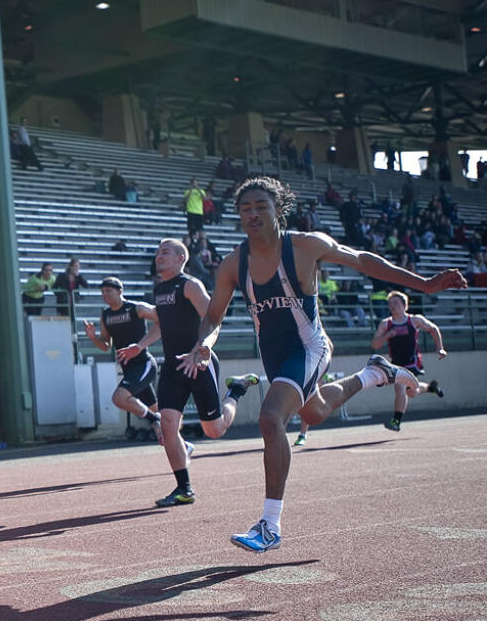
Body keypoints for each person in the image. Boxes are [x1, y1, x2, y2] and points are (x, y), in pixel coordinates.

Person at [187, 176, 466, 552]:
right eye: (245, 209)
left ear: (278, 209)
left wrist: (425, 284)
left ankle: (269, 525)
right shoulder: (233, 264)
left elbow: (364, 261)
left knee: (271, 417)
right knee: (315, 412)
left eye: (260, 206)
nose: (252, 214)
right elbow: (214, 316)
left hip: (310, 347)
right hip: (275, 356)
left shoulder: (306, 245)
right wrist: (204, 344)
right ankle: (375, 373)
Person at [146, 238, 258, 508]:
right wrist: (139, 346)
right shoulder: (159, 288)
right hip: (173, 367)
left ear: (181, 259)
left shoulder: (190, 285)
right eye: (158, 252)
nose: (159, 256)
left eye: (166, 252)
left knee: (215, 431)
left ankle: (236, 391)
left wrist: (201, 348)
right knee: (167, 425)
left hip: (198, 364)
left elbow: (214, 319)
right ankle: (184, 488)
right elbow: (162, 325)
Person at [83, 277, 162, 438]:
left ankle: (154, 420)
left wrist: (141, 344)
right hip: (129, 369)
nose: (105, 294)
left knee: (119, 398)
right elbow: (105, 346)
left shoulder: (136, 308)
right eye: (102, 292)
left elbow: (163, 320)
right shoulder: (105, 315)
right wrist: (93, 337)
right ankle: (178, 440)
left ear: (120, 291)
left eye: (108, 291)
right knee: (164, 419)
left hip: (144, 364)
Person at [369, 291, 446, 432]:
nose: (392, 306)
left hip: (412, 362)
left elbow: (433, 329)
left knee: (400, 387)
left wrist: (440, 348)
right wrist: (387, 335)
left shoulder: (415, 320)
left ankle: (395, 421)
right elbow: (374, 345)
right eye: (390, 303)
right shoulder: (386, 324)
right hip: (396, 363)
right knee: (412, 392)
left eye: (396, 303)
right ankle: (431, 388)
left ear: (405, 305)